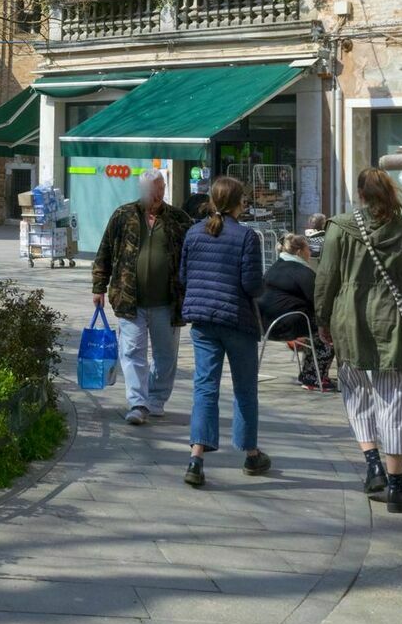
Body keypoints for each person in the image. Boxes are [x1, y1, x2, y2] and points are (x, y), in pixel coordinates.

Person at [314, 167, 402, 515]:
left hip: (348, 318)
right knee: (393, 397)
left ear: (360, 195)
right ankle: (396, 486)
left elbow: (326, 278)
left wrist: (322, 318)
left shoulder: (338, 228)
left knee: (355, 389)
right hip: (390, 319)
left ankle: (372, 464)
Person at [178, 175, 272, 486]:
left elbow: (183, 276)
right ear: (238, 203)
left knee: (205, 386)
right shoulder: (247, 237)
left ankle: (196, 457)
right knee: (245, 388)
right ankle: (251, 453)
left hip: (203, 320)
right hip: (237, 320)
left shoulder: (193, 234)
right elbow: (251, 284)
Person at [92, 170, 192, 425]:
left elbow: (193, 257)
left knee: (165, 355)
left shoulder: (178, 219)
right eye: (151, 190)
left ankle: (156, 400)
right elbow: (104, 251)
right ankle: (138, 403)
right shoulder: (123, 216)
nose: (156, 195)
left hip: (167, 301)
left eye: (160, 189)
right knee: (133, 351)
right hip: (129, 299)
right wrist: (98, 287)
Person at [259, 233, 335, 389]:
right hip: (286, 324)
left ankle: (308, 373)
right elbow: (319, 300)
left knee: (313, 324)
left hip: (265, 324)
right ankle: (313, 377)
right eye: (308, 249)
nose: (310, 253)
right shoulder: (302, 272)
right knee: (328, 328)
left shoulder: (275, 266)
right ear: (300, 251)